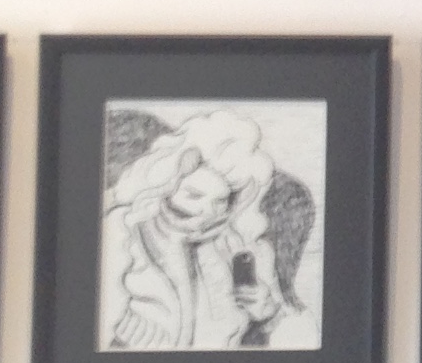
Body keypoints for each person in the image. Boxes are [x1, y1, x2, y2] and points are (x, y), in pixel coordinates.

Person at [101, 110, 312, 350]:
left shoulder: (238, 244)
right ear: (166, 185)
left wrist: (267, 312)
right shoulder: (125, 226)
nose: (207, 211)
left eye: (220, 201)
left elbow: (291, 330)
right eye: (194, 195)